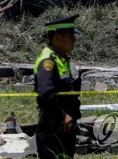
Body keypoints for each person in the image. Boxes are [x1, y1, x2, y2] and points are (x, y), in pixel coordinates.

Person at [34, 15, 82, 159]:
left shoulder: (61, 58)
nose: (74, 40)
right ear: (57, 38)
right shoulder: (48, 61)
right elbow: (46, 92)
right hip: (54, 125)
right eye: (70, 36)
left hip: (64, 125)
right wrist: (63, 116)